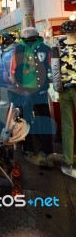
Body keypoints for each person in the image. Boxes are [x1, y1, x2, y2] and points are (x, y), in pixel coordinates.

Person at [10, 27, 53, 164]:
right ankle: (47, 149)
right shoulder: (46, 49)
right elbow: (51, 69)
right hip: (40, 91)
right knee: (43, 118)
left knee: (26, 119)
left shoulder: (18, 49)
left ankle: (29, 148)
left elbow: (14, 70)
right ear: (37, 36)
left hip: (25, 91)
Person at [52, 20, 76, 178]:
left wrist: (56, 87)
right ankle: (68, 161)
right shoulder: (57, 47)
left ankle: (68, 161)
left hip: (64, 89)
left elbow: (54, 68)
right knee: (67, 126)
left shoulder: (57, 47)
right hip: (67, 90)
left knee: (67, 126)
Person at [0, 33, 18, 104]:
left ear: (10, 40)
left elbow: (13, 65)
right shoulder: (7, 50)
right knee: (12, 101)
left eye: (6, 39)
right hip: (8, 80)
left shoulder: (13, 50)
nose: (4, 41)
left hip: (12, 80)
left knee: (14, 101)